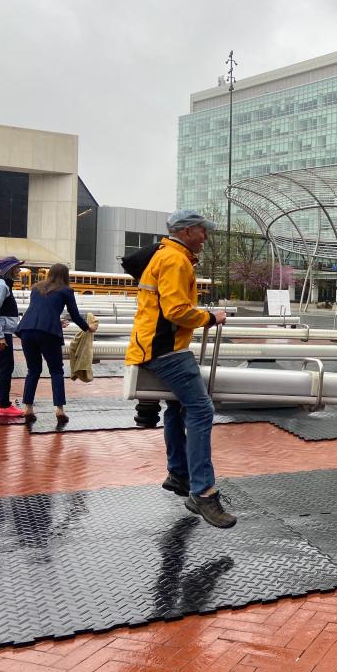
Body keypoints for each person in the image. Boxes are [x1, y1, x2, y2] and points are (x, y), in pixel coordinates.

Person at [125, 209, 233, 528]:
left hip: (151, 344)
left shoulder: (164, 254)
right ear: (186, 232)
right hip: (167, 350)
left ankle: (178, 474)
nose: (206, 236)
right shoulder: (175, 260)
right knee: (200, 410)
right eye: (202, 230)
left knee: (176, 406)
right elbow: (176, 311)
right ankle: (203, 492)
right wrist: (211, 317)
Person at [16, 263, 94, 425]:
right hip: (48, 334)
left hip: (27, 330)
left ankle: (28, 408)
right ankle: (59, 410)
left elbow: (39, 310)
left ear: (49, 274)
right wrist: (88, 328)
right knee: (56, 371)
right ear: (65, 275)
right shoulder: (66, 290)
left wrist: (55, 321)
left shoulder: (36, 288)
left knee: (33, 370)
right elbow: (75, 314)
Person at [0, 256, 26, 418]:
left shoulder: (3, 285)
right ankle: (3, 405)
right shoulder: (2, 286)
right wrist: (0, 336)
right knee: (6, 368)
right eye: (17, 268)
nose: (19, 270)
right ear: (9, 269)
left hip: (0, 332)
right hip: (0, 334)